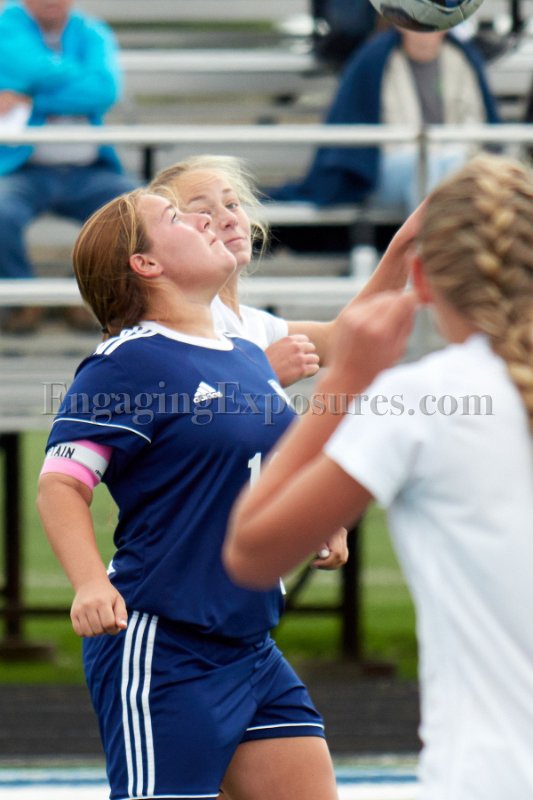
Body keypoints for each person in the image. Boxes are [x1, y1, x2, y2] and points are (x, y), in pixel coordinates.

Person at [224, 154, 533, 799]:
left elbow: (252, 551)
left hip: (489, 775)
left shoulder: (423, 399)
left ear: (421, 279)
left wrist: (345, 381)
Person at [36, 187, 358, 800]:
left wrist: (317, 517)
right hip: (164, 647)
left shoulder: (245, 355)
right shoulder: (126, 364)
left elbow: (268, 465)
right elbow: (60, 485)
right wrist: (89, 583)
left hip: (250, 645)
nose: (203, 219)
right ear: (145, 264)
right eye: (175, 216)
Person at [150, 154, 423, 387]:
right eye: (203, 213)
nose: (229, 219)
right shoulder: (170, 327)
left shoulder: (254, 322)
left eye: (232, 204)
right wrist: (264, 374)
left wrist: (404, 243)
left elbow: (346, 340)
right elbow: (187, 415)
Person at [0, 0, 136, 333]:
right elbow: (29, 70)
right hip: (22, 169)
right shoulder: (8, 26)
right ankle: (25, 297)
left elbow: (104, 91)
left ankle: (84, 294)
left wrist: (30, 99)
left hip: (88, 170)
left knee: (137, 210)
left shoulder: (91, 31)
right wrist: (77, 77)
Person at [266, 28, 500, 214]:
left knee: (451, 163)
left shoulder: (462, 59)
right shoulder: (375, 59)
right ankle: (436, 250)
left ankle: (432, 250)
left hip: (449, 166)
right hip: (388, 170)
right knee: (428, 164)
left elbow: (476, 127)